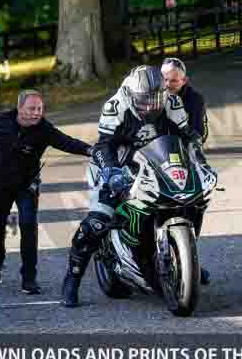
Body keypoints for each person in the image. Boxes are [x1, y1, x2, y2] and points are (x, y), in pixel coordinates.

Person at [61, 65, 204, 308]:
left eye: (156, 98)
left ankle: (182, 254)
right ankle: (72, 278)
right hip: (116, 160)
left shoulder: (172, 102)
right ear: (131, 94)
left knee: (188, 198)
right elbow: (104, 145)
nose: (151, 105)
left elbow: (186, 135)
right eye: (144, 100)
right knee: (99, 219)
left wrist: (198, 157)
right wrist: (111, 172)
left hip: (155, 158)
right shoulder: (115, 106)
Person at [0, 89, 93, 295]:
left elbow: (66, 142)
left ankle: (29, 279)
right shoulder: (1, 121)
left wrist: (90, 150)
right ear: (20, 108)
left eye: (40, 109)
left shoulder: (44, 129)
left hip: (26, 186)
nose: (36, 113)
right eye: (31, 108)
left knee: (28, 226)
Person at [161, 57, 211, 285]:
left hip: (185, 155)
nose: (168, 84)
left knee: (197, 200)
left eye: (173, 80)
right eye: (164, 79)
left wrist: (192, 145)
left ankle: (188, 258)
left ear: (184, 80)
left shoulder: (194, 99)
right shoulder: (153, 96)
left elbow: (198, 133)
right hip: (156, 155)